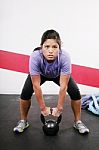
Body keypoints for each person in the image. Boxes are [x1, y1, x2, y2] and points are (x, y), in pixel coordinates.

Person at [13, 29, 89, 134]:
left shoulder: (64, 57)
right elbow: (36, 86)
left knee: (75, 93)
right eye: (47, 46)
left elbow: (63, 87)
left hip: (58, 75)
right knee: (25, 93)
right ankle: (23, 121)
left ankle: (78, 122)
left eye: (54, 47)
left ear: (59, 48)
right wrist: (43, 108)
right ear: (41, 47)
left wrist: (59, 108)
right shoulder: (35, 56)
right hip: (41, 74)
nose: (50, 50)